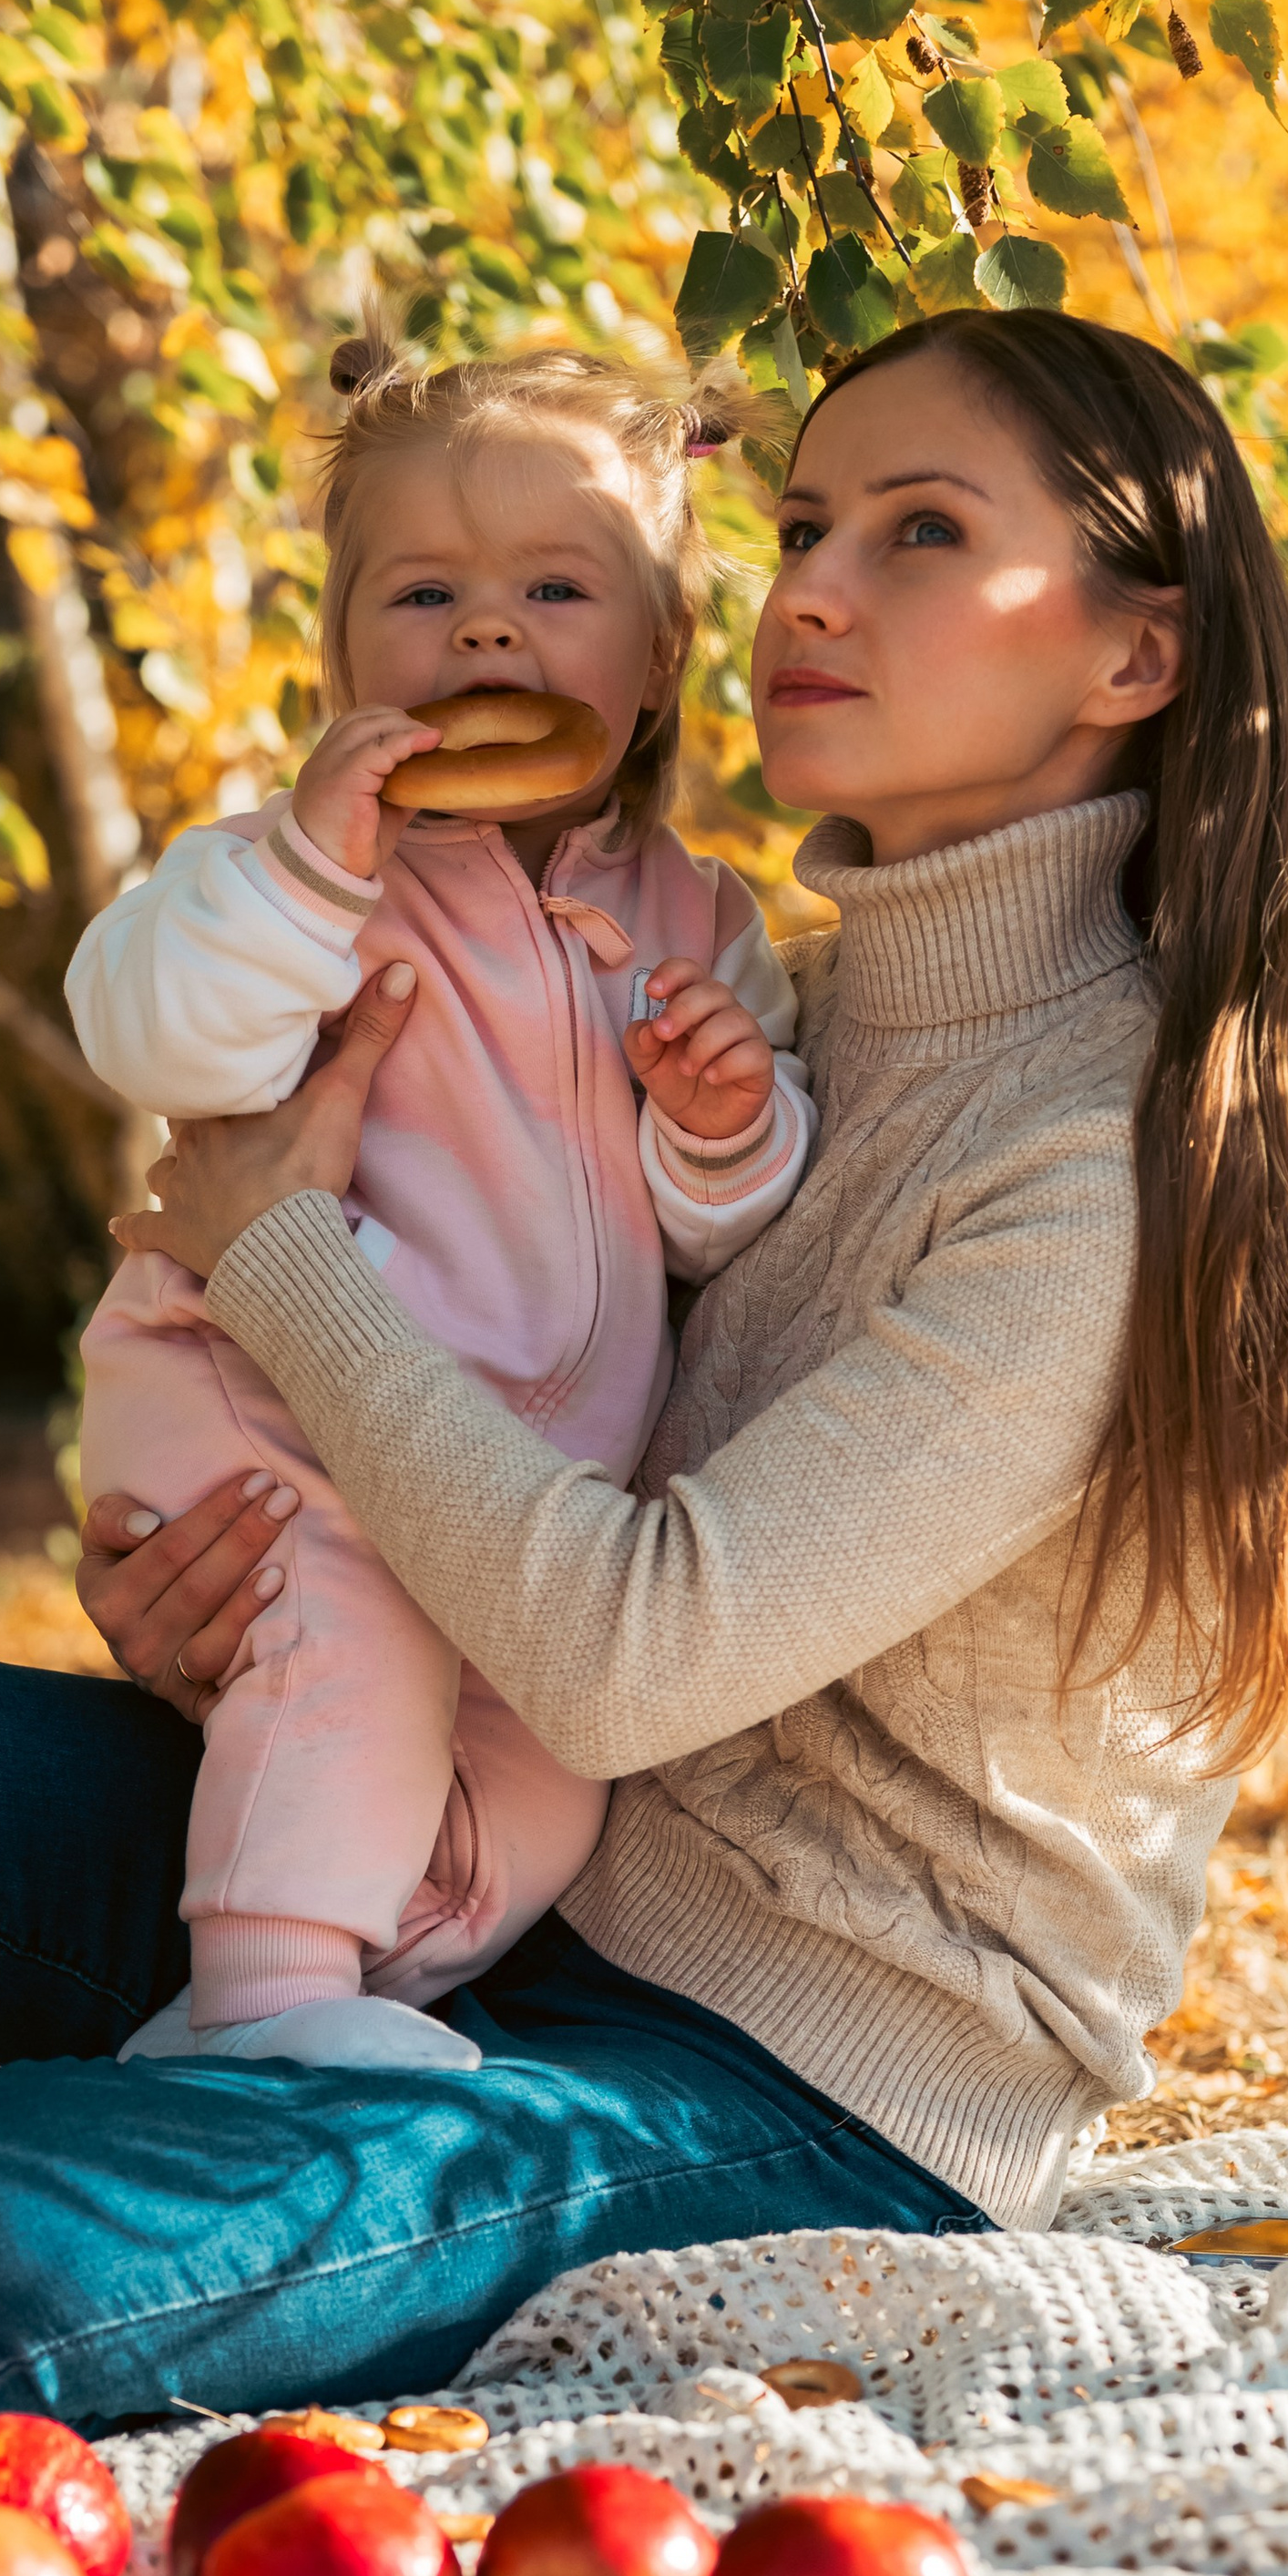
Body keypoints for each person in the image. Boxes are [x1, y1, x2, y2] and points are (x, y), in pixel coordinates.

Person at [0, 312, 1288, 2431]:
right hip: (483, 1853)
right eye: (803, 519)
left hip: (800, 2082)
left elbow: (625, 1650)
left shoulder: (1101, 1161)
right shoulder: (742, 1003)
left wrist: (273, 1258)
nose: (807, 583)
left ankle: (252, 2149)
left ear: (1132, 657)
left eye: (916, 532)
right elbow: (475, 1362)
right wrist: (247, 1607)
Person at [67, 341, 813, 2076]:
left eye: (556, 588)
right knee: (353, 1651)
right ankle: (266, 1993)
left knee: (554, 1755)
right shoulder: (288, 869)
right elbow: (155, 1034)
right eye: (425, 593)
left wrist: (720, 1123)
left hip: (526, 1481)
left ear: (651, 666)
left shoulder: (702, 923)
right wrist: (312, 868)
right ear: (340, 657)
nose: (488, 635)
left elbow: (722, 1229)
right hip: (273, 1403)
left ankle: (362, 1982)